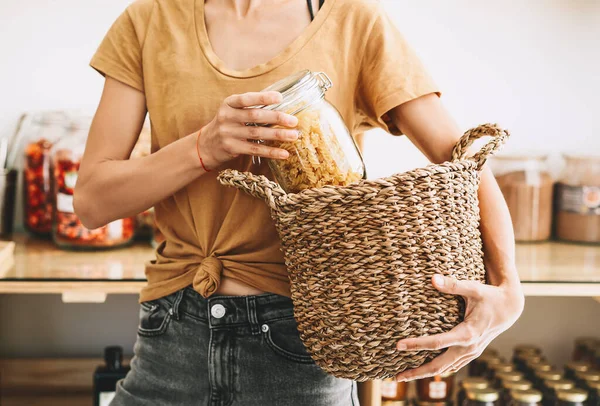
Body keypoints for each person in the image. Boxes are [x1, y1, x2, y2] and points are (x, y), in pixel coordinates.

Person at [75, 0, 524, 404]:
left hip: (304, 342)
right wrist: (204, 148)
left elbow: (464, 162)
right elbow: (92, 202)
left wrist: (508, 289)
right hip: (171, 332)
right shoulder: (149, 20)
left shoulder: (353, 20)